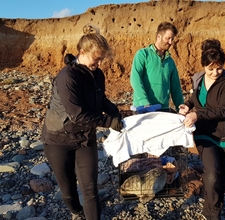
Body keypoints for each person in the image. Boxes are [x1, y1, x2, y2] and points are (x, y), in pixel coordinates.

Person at [41, 24, 123, 220]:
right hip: (58, 140)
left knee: (90, 189)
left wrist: (112, 109)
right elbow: (77, 115)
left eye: (102, 58)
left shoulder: (97, 74)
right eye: (97, 58)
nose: (99, 62)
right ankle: (76, 210)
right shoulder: (67, 77)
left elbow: (99, 98)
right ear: (82, 52)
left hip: (85, 138)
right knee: (69, 191)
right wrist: (109, 121)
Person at [179, 38, 225, 220]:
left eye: (219, 68)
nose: (215, 73)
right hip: (204, 133)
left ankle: (210, 203)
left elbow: (224, 109)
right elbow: (195, 99)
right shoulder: (197, 79)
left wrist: (197, 114)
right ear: (204, 65)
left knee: (221, 177)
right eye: (210, 68)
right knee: (213, 173)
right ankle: (212, 215)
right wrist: (187, 105)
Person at [130, 21, 184, 113]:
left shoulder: (170, 61)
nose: (170, 42)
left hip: (162, 109)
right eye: (168, 38)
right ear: (159, 36)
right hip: (143, 108)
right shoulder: (143, 54)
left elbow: (176, 88)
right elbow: (135, 78)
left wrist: (180, 107)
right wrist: (144, 101)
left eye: (172, 39)